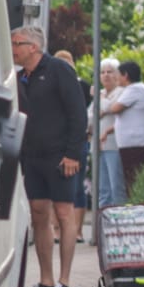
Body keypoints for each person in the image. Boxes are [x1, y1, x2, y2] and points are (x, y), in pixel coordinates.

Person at [11, 26, 86, 287]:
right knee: (38, 213)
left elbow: (78, 113)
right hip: (33, 157)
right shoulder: (19, 78)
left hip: (60, 156)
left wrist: (73, 154)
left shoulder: (58, 70)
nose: (13, 48)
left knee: (64, 214)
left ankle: (64, 282)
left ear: (34, 47)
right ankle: (45, 279)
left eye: (18, 43)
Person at [51, 50, 93, 248]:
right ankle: (56, 229)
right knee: (52, 188)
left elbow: (88, 115)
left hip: (77, 143)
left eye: (67, 63)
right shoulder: (48, 84)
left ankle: (76, 230)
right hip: (54, 143)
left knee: (76, 187)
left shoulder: (82, 86)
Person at [106, 59, 144, 192]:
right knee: (134, 184)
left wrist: (100, 97)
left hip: (139, 145)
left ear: (125, 75)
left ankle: (142, 210)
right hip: (136, 145)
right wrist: (108, 131)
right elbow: (131, 118)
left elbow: (114, 108)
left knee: (136, 185)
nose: (116, 78)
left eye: (118, 74)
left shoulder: (134, 89)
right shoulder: (136, 89)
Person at [95, 57, 126, 210]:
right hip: (98, 146)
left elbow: (111, 109)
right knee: (102, 190)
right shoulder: (99, 93)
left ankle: (120, 223)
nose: (106, 75)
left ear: (117, 75)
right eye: (102, 72)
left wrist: (100, 101)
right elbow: (90, 117)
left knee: (116, 188)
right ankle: (102, 225)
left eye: (110, 72)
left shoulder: (122, 92)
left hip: (114, 145)